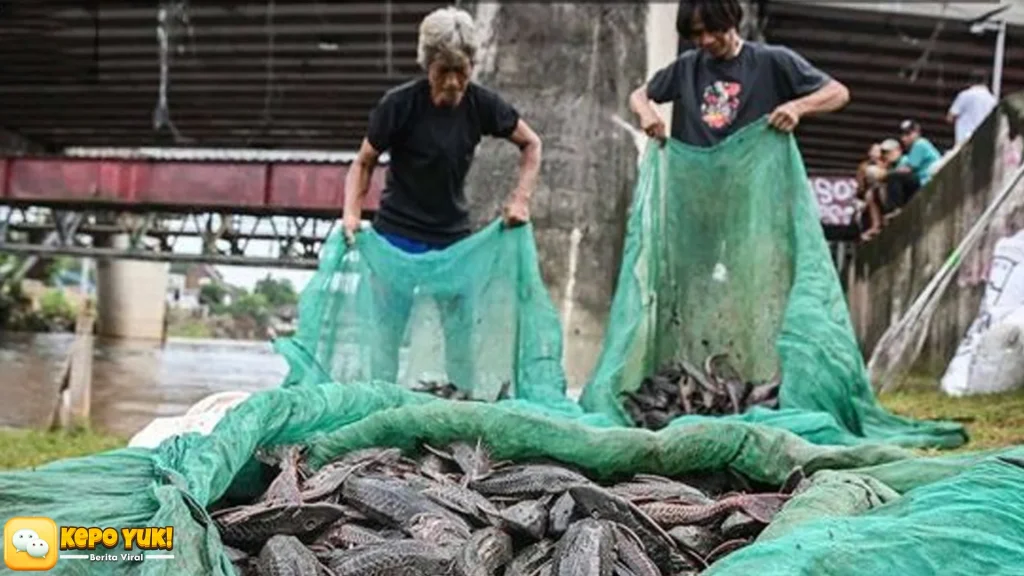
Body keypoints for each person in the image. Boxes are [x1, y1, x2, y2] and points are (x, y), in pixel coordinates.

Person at [340, 6, 543, 387]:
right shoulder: (398, 105)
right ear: (427, 66)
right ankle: (379, 401)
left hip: (452, 240)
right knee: (386, 333)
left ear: (471, 68)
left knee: (460, 334)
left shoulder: (481, 105)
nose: (452, 82)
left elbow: (531, 145)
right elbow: (363, 163)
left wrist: (521, 199)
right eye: (443, 71)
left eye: (460, 72)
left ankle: (461, 404)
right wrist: (352, 213)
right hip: (396, 237)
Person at [628, 0, 849, 146]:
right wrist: (647, 114)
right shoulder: (688, 65)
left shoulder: (772, 60)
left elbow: (838, 93)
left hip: (756, 188)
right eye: (697, 34)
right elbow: (638, 96)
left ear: (731, 21)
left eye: (714, 29)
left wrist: (796, 108)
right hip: (701, 185)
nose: (706, 40)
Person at [884, 119, 941, 211]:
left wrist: (885, 174)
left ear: (917, 133)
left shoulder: (920, 144)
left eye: (908, 134)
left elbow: (908, 169)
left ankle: (895, 209)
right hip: (922, 180)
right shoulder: (914, 149)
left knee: (894, 176)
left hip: (927, 180)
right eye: (903, 135)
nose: (904, 138)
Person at [947, 69, 997, 146]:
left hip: (964, 140)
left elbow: (950, 118)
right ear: (986, 82)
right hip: (984, 141)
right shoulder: (992, 100)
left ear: (971, 81)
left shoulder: (964, 95)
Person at [856, 143, 886, 240]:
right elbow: (861, 186)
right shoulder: (863, 166)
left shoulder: (885, 164)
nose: (875, 154)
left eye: (877, 152)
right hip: (866, 195)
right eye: (873, 151)